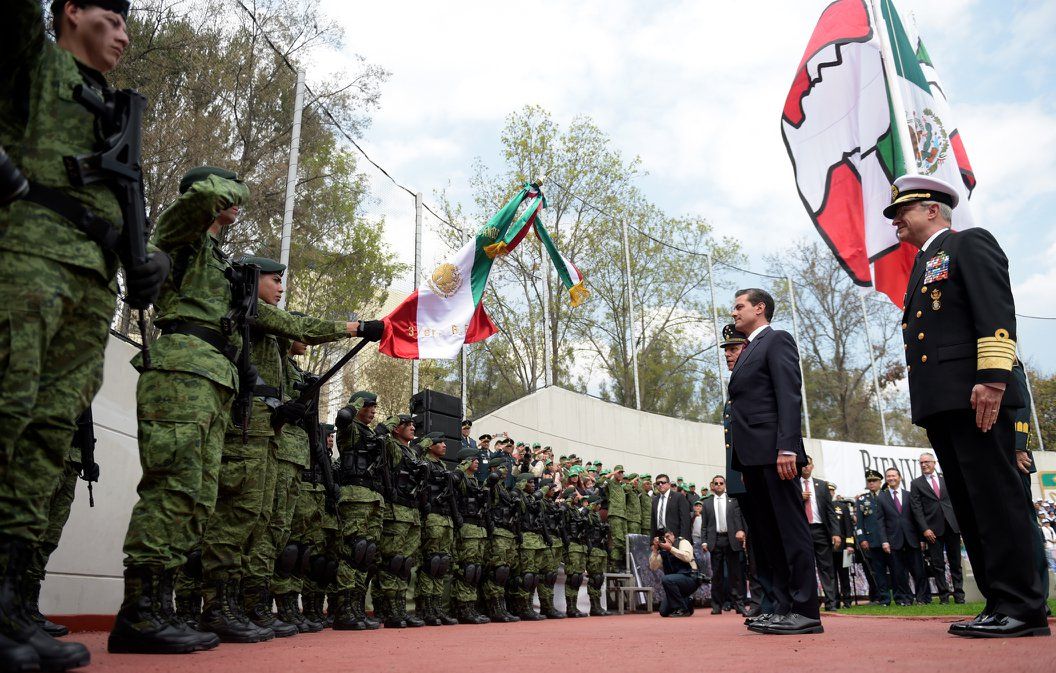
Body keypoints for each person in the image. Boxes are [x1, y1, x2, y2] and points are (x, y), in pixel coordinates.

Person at [0, 1, 171, 669]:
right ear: (70, 11)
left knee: (46, 437)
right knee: (7, 414)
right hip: (28, 260)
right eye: (113, 18)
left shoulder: (110, 107)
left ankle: (11, 602)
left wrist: (143, 258)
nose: (125, 35)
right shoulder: (33, 64)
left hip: (91, 283)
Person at [888, 174, 1047, 637]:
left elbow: (995, 311)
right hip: (944, 402)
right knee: (973, 505)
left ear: (933, 209)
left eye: (904, 210)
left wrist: (993, 380)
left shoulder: (968, 243)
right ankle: (1000, 602)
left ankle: (1023, 607)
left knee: (996, 500)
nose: (897, 219)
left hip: (976, 397)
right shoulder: (923, 262)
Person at [728, 288, 820, 635]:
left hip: (774, 454)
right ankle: (782, 606)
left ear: (760, 308)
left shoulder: (777, 340)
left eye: (740, 306)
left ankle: (805, 609)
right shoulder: (750, 348)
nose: (734, 313)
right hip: (751, 457)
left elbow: (788, 394)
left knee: (790, 531)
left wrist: (787, 448)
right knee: (767, 536)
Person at [331, 390, 386, 631]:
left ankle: (356, 607)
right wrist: (355, 404)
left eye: (374, 407)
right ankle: (344, 609)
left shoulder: (370, 433)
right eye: (369, 406)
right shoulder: (350, 427)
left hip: (373, 496)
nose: (373, 411)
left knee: (367, 555)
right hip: (354, 495)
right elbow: (342, 418)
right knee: (353, 551)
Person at [374, 415, 426, 628]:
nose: (413, 428)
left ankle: (400, 608)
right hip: (396, 511)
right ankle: (389, 609)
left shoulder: (412, 451)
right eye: (407, 425)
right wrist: (394, 420)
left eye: (413, 425)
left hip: (411, 511)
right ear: (396, 429)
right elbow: (380, 435)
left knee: (405, 564)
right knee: (392, 562)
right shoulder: (391, 445)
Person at [414, 433, 459, 626]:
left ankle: (437, 607)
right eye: (439, 442)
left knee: (441, 564)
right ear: (430, 445)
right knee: (430, 562)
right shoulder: (423, 462)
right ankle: (426, 608)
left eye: (444, 442)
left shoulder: (442, 467)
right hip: (431, 515)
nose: (444, 445)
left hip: (445, 517)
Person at [908, 452, 963, 604]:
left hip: (952, 527)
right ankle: (944, 597)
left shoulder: (946, 479)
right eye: (921, 463)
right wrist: (924, 529)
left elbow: (955, 502)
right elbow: (916, 509)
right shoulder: (916, 484)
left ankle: (959, 595)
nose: (924, 465)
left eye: (926, 462)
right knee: (938, 565)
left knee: (956, 563)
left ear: (934, 463)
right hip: (932, 530)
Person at [876, 468, 928, 606]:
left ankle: (922, 598)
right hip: (893, 540)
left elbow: (917, 518)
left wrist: (922, 539)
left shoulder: (909, 495)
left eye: (893, 476)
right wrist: (884, 541)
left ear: (900, 477)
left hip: (912, 539)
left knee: (918, 571)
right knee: (898, 572)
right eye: (888, 476)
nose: (891, 478)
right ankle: (904, 599)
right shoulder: (881, 497)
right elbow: (880, 521)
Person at [450, 448, 490, 624]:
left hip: (477, 527)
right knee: (467, 569)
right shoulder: (459, 477)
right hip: (466, 527)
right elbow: (454, 485)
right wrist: (461, 467)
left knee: (475, 569)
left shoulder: (474, 480)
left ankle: (471, 606)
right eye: (473, 459)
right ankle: (462, 607)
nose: (477, 462)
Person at [799, 456, 841, 611]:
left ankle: (831, 603)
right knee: (805, 568)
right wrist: (799, 497)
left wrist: (836, 533)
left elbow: (831, 512)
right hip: (802, 531)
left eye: (807, 464)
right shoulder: (792, 485)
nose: (805, 467)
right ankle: (809, 604)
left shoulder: (822, 485)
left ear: (812, 466)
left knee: (826, 567)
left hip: (821, 530)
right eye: (802, 464)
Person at [700, 475, 746, 615]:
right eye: (716, 483)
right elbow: (704, 525)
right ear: (712, 486)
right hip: (715, 541)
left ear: (725, 485)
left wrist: (741, 532)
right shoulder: (707, 503)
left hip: (732, 540)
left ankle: (738, 604)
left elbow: (739, 518)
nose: (719, 485)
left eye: (721, 483)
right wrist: (704, 541)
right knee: (717, 575)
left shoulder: (733, 500)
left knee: (735, 575)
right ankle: (716, 605)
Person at [855, 470, 890, 605]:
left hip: (889, 539)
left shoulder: (887, 496)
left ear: (880, 482)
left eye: (874, 481)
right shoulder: (862, 500)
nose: (871, 483)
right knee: (878, 571)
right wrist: (862, 538)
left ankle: (902, 596)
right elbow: (859, 523)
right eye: (869, 481)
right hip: (872, 540)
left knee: (896, 569)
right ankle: (884, 598)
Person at [649, 528, 700, 617]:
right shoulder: (663, 551)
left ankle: (683, 610)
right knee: (663, 611)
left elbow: (687, 557)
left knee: (666, 579)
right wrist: (655, 550)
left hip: (691, 577)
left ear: (672, 535)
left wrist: (671, 548)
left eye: (668, 536)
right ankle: (687, 602)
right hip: (675, 582)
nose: (666, 539)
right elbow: (653, 567)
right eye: (663, 538)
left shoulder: (682, 542)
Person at [829, 484, 856, 609]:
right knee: (831, 576)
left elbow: (848, 528)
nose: (830, 492)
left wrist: (850, 544)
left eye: (832, 490)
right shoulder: (820, 507)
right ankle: (834, 601)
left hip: (844, 547)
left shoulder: (842, 506)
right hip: (828, 548)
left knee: (845, 575)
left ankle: (847, 600)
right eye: (828, 490)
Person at [651, 474, 691, 541]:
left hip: (676, 537)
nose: (660, 484)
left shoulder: (679, 497)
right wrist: (651, 542)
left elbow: (685, 519)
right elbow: (653, 522)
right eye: (658, 483)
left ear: (669, 484)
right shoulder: (655, 500)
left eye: (663, 482)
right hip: (659, 537)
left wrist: (682, 538)